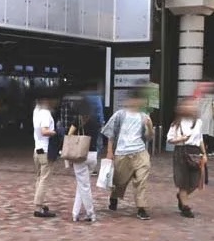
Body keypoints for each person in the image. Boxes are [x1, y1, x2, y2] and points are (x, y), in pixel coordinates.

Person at [102, 86, 154, 220]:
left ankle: (141, 207)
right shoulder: (120, 115)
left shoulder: (144, 116)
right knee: (120, 181)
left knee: (141, 180)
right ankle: (114, 197)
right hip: (122, 152)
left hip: (140, 152)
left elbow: (149, 137)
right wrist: (109, 152)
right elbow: (110, 134)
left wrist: (149, 126)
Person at [167, 98, 207, 218]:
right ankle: (185, 207)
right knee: (183, 181)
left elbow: (200, 139)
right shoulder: (176, 123)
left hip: (195, 152)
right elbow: (169, 139)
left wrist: (204, 153)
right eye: (188, 106)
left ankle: (181, 196)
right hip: (181, 151)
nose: (191, 108)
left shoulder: (198, 122)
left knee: (196, 181)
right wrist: (180, 139)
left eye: (193, 106)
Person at [66, 103, 100, 222]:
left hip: (80, 155)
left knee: (84, 185)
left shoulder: (78, 120)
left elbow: (70, 134)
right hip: (93, 155)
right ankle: (75, 213)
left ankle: (91, 213)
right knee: (82, 184)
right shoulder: (96, 119)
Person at [31, 96, 57, 218]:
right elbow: (44, 131)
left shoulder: (36, 112)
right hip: (45, 149)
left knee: (39, 177)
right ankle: (38, 205)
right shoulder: (46, 114)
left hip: (38, 149)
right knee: (44, 178)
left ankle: (39, 204)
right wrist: (56, 132)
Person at [197, 83, 214, 156]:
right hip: (210, 116)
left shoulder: (199, 98)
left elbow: (197, 107)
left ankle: (202, 151)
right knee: (210, 133)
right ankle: (211, 150)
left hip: (201, 117)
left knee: (202, 134)